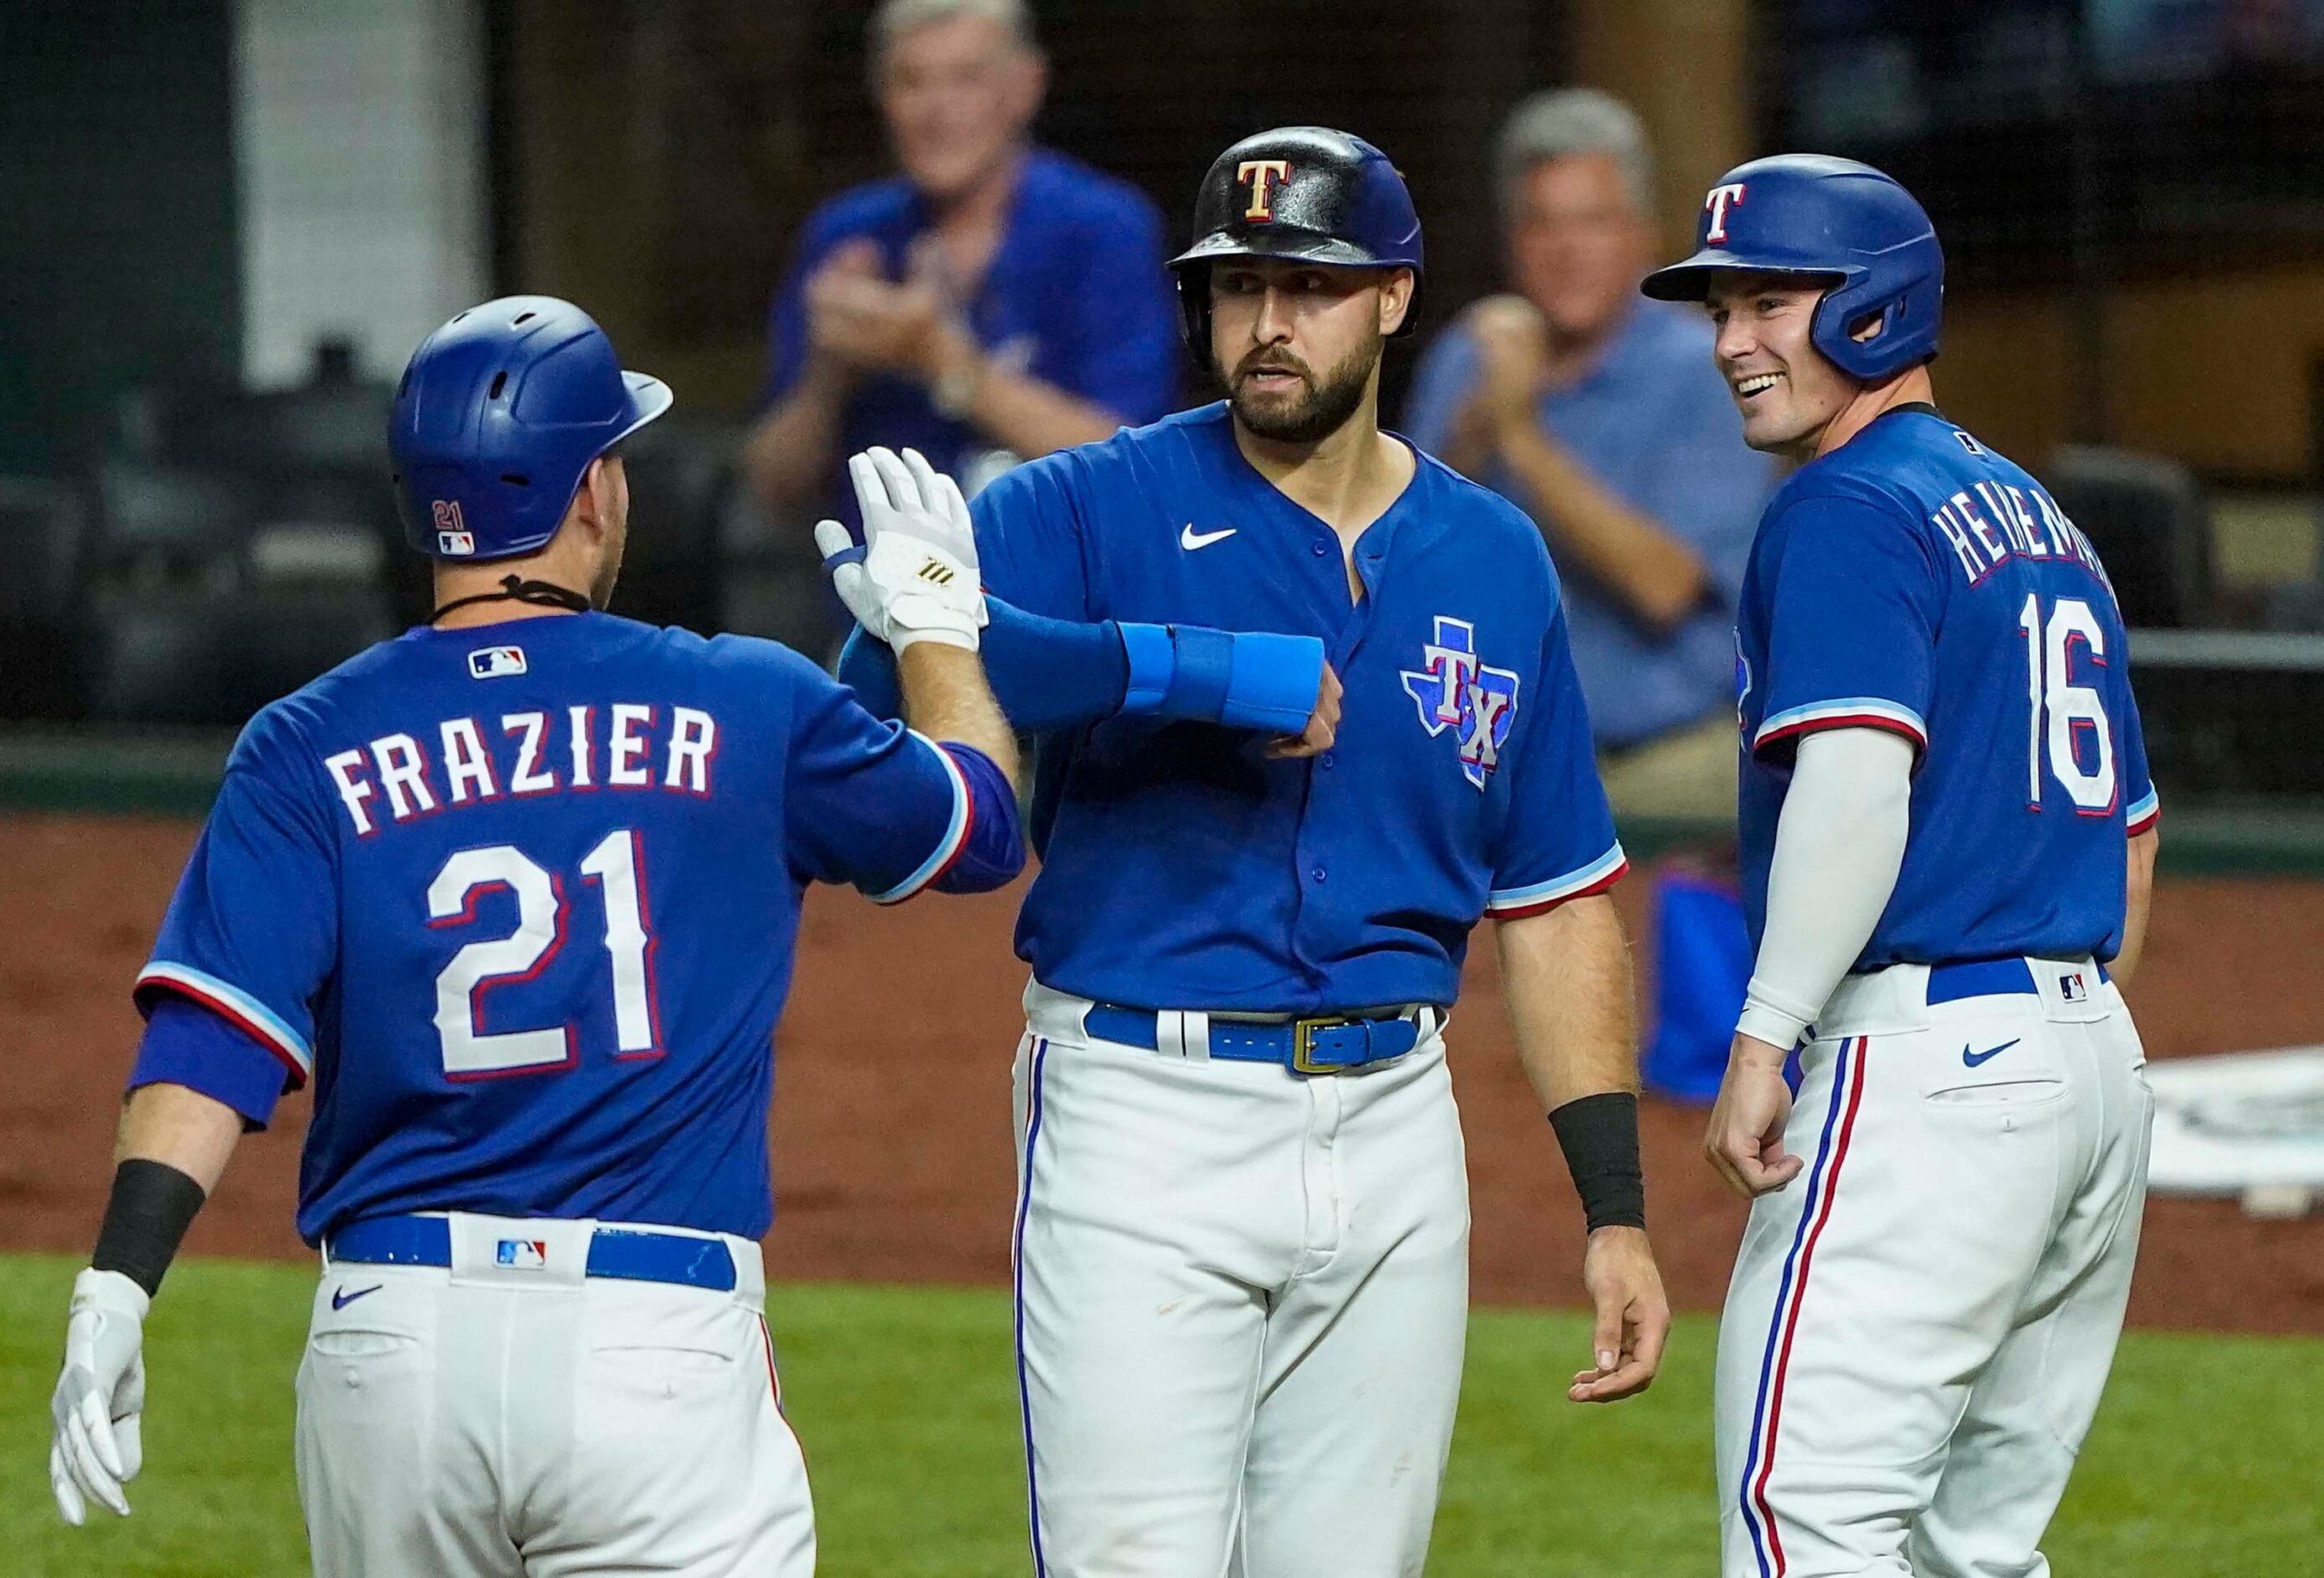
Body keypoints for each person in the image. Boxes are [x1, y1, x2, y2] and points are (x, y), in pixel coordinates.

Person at [44, 296, 1025, 1577]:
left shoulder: (306, 740)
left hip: (390, 1348)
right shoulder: (744, 700)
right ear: (594, 493)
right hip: (650, 1341)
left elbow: (213, 1037)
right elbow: (976, 825)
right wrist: (936, 627)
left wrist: (117, 1285)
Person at [828, 127, 1670, 1576]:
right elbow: (873, 685)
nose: (1266, 324)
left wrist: (1613, 1212)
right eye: (1234, 288)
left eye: (1309, 286)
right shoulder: (1080, 504)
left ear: (1394, 298)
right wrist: (1187, 670)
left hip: (1396, 1124)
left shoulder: (1490, 554)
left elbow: (1552, 896)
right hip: (1141, 1116)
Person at [1642, 157, 2162, 1577]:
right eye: (1718, 308)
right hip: (2083, 1069)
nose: (1730, 341)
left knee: (1802, 1515)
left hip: (1924, 1066)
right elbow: (2132, 831)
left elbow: (1855, 785)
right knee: (1967, 1548)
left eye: (1768, 301)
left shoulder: (1846, 505)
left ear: (1872, 308)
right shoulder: (2032, 516)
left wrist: (1762, 1033)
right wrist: (2061, 1039)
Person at [1404, 88, 1779, 822]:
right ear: (1512, 242)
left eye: (1593, 222)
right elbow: (1399, 567)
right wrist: (1474, 432)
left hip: (1665, 753)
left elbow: (1663, 587)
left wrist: (1520, 436)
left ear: (1642, 233)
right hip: (1488, 742)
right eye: (1541, 225)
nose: (1566, 250)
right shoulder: (1469, 357)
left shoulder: (1707, 368)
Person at [744, 0, 1178, 534]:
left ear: (1026, 87)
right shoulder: (846, 237)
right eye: (911, 81)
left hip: (1054, 598)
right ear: (880, 94)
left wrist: (943, 361)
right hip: (876, 596)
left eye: (966, 79)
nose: (936, 110)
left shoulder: (1104, 228)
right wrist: (829, 372)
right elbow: (773, 489)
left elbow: (1135, 469)